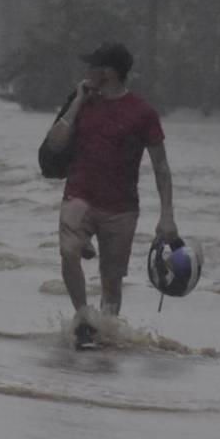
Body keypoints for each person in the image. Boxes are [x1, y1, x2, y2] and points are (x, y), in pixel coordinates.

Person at [42, 42, 179, 348]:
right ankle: (83, 318)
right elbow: (54, 143)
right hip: (79, 196)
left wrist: (167, 215)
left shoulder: (143, 113)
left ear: (108, 72)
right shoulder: (82, 102)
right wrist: (78, 101)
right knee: (68, 251)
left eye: (92, 66)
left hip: (121, 208)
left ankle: (103, 336)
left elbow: (161, 166)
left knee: (112, 281)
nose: (86, 71)